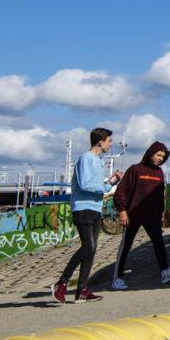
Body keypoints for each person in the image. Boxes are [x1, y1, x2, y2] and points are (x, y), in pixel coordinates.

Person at [52, 128, 123, 304]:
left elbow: (99, 186)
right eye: (109, 140)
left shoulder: (100, 161)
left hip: (95, 209)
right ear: (100, 141)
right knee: (87, 246)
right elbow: (84, 184)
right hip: (82, 208)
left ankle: (82, 290)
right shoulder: (86, 158)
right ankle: (61, 283)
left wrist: (112, 182)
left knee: (91, 249)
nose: (111, 143)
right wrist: (104, 187)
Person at [110, 141, 170, 290]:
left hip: (152, 216)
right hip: (132, 215)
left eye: (163, 156)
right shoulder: (135, 170)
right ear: (150, 153)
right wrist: (122, 210)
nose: (160, 158)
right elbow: (120, 192)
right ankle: (117, 278)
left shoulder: (159, 173)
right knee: (125, 246)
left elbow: (160, 195)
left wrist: (162, 213)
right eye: (158, 155)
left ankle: (165, 272)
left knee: (159, 244)